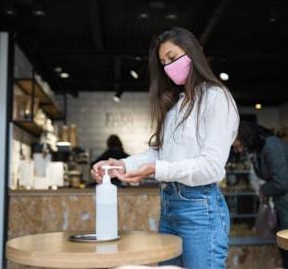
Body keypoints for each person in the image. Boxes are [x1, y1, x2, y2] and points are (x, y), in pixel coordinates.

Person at [91, 27, 239, 268]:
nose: (168, 67)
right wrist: (122, 164)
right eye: (163, 62)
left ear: (194, 52)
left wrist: (155, 170)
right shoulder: (177, 105)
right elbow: (160, 151)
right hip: (169, 206)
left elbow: (211, 167)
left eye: (172, 57)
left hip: (200, 210)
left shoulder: (216, 98)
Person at [233, 120, 288, 268]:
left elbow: (282, 182)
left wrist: (264, 190)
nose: (237, 151)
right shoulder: (258, 151)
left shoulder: (272, 146)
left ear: (246, 138)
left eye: (238, 145)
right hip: (281, 203)